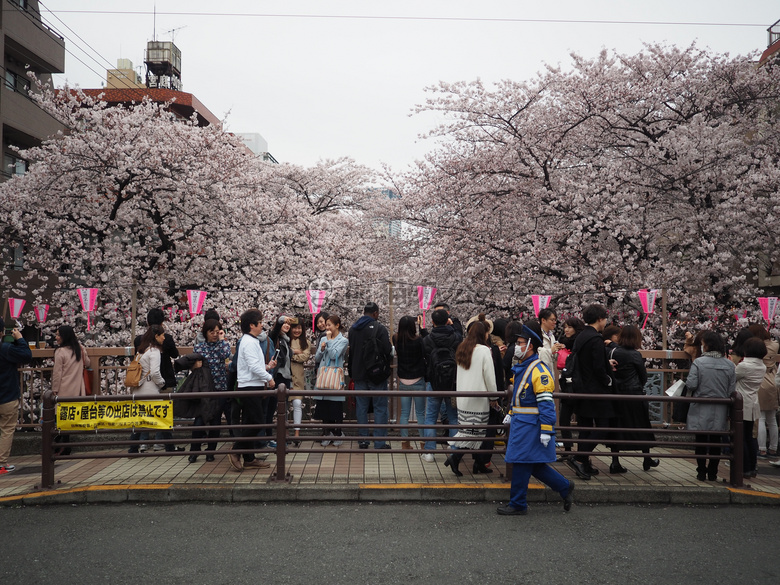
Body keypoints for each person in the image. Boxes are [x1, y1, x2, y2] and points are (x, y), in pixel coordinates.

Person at [498, 320, 574, 515]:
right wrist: (511, 413)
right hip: (523, 424)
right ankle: (564, 487)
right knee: (534, 464)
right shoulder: (526, 367)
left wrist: (547, 429)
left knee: (522, 462)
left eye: (521, 343)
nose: (517, 347)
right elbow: (522, 398)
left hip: (531, 426)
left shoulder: (539, 371)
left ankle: (517, 504)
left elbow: (546, 404)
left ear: (530, 346)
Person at [567, 304, 616, 480]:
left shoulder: (581, 337)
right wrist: (608, 379)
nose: (605, 322)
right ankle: (579, 458)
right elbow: (597, 367)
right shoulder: (595, 339)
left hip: (581, 388)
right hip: (595, 390)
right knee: (602, 426)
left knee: (585, 428)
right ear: (599, 319)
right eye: (604, 318)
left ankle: (584, 465)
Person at [443, 321, 496, 476]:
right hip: (479, 397)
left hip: (464, 397)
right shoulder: (484, 351)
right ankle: (456, 458)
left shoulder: (463, 347)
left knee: (471, 432)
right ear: (483, 334)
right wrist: (494, 395)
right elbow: (489, 377)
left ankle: (478, 464)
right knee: (476, 432)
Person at [685, 331, 736, 481]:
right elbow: (731, 390)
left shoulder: (699, 363)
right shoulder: (729, 365)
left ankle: (701, 472)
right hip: (720, 407)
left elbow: (692, 384)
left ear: (706, 346)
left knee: (700, 441)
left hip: (701, 406)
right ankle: (713, 473)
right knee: (716, 442)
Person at [229, 309, 275, 472]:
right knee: (256, 422)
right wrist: (268, 377)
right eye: (260, 322)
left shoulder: (250, 340)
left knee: (250, 422)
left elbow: (253, 365)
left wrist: (267, 368)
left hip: (251, 384)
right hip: (249, 386)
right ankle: (236, 450)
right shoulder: (248, 342)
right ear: (252, 325)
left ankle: (249, 458)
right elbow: (253, 366)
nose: (262, 325)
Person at [611, 325, 659, 472]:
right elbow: (643, 376)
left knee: (617, 427)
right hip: (634, 394)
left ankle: (615, 461)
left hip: (617, 394)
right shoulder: (635, 355)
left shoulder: (614, 352)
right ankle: (646, 459)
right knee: (642, 425)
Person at [348, 302, 393, 450]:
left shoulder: (353, 330)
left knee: (361, 407)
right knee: (380, 407)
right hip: (376, 374)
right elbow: (387, 350)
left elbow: (352, 352)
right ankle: (379, 442)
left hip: (359, 374)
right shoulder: (380, 328)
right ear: (375, 313)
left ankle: (363, 441)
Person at [134, 308, 178, 452]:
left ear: (147, 321)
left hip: (144, 384)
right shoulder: (165, 338)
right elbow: (175, 354)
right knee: (162, 411)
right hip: (163, 380)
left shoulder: (139, 340)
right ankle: (160, 441)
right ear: (162, 321)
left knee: (144, 411)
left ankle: (143, 441)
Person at [421, 308, 462, 462]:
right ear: (447, 320)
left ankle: (430, 452)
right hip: (452, 382)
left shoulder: (427, 340)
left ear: (432, 322)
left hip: (434, 382)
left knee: (430, 417)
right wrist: (452, 326)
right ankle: (453, 451)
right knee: (453, 418)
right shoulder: (456, 337)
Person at [190, 319, 231, 463]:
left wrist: (222, 338)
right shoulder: (199, 348)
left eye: (217, 331)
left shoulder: (222, 345)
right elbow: (193, 364)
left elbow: (226, 354)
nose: (214, 334)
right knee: (199, 420)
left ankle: (210, 451)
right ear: (205, 333)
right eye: (211, 332)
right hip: (204, 388)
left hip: (220, 388)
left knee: (215, 421)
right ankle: (194, 451)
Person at [52, 325, 91, 455]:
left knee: (60, 418)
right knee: (69, 417)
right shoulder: (79, 349)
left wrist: (54, 389)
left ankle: (59, 445)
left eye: (58, 335)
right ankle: (65, 445)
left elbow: (57, 373)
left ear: (64, 336)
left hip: (63, 388)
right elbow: (88, 363)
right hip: (77, 388)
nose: (56, 337)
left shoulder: (60, 352)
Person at [128, 325, 168, 453]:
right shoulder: (154, 352)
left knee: (141, 420)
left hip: (139, 389)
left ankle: (133, 448)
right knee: (162, 418)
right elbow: (155, 372)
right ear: (156, 336)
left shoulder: (142, 351)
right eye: (162, 335)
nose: (164, 337)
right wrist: (162, 383)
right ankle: (170, 447)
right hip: (150, 389)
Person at [0, 318, 32, 474]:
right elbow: (26, 355)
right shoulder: (5, 349)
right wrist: (20, 339)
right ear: (1, 332)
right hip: (7, 395)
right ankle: (1, 464)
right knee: (6, 430)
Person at [314, 314, 348, 446]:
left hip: (334, 376)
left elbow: (334, 355)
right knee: (324, 407)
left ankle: (338, 433)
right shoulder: (323, 338)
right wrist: (321, 349)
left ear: (337, 326)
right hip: (323, 376)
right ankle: (327, 433)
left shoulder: (343, 340)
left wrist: (328, 342)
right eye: (326, 325)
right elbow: (317, 358)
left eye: (329, 325)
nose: (326, 327)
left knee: (335, 407)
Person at [393, 316, 427, 450]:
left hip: (403, 380)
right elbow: (425, 350)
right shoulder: (418, 340)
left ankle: (405, 443)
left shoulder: (396, 339)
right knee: (420, 413)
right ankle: (423, 443)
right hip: (418, 379)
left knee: (404, 413)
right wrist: (421, 327)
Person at [735, 337, 766, 478]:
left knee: (741, 437)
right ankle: (752, 467)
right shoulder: (762, 366)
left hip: (742, 404)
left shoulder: (744, 366)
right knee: (749, 437)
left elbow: (732, 378)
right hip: (753, 403)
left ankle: (745, 468)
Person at [748, 324, 779, 458]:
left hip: (761, 379)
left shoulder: (757, 346)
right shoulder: (774, 345)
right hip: (773, 379)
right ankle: (773, 448)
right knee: (772, 419)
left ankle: (761, 449)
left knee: (760, 418)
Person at [557, 317, 585, 459]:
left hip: (579, 385)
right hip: (567, 385)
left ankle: (580, 451)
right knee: (564, 419)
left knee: (580, 419)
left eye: (569, 327)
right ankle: (568, 450)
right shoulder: (562, 343)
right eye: (565, 327)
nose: (566, 330)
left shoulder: (580, 343)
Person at [267, 315, 294, 448]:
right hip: (277, 376)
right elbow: (275, 331)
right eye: (285, 323)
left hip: (286, 376)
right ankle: (269, 437)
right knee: (272, 407)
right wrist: (280, 320)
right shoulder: (275, 337)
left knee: (284, 408)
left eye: (289, 324)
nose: (287, 325)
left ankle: (282, 436)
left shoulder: (286, 340)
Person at [289, 319, 311, 446]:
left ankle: (297, 433)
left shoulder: (305, 342)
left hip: (298, 377)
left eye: (299, 328)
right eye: (294, 328)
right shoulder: (285, 340)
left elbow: (305, 356)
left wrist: (290, 354)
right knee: (284, 405)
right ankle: (285, 433)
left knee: (297, 403)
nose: (297, 330)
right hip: (286, 376)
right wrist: (295, 352)